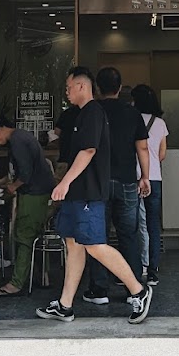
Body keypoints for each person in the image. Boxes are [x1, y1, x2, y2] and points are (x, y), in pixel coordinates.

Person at [36, 67, 152, 325]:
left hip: (88, 192)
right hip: (78, 193)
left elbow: (88, 151)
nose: (66, 92)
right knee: (74, 244)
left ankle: (139, 291)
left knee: (94, 244)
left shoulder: (93, 112)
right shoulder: (81, 114)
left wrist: (65, 182)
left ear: (82, 86)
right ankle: (65, 305)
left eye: (68, 87)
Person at [84, 66, 150, 303]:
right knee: (128, 235)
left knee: (98, 237)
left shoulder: (91, 111)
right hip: (127, 181)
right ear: (120, 88)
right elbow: (142, 147)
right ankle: (133, 288)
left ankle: (99, 289)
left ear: (97, 88)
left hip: (98, 183)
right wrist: (145, 176)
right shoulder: (132, 113)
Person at [0, 116, 55, 296]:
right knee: (34, 234)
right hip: (39, 191)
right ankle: (43, 276)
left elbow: (26, 173)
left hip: (34, 192)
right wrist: (3, 181)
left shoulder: (17, 141)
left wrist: (12, 187)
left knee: (24, 235)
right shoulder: (20, 137)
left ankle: (16, 283)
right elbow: (19, 169)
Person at [133, 84, 168, 286]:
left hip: (134, 177)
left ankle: (138, 266)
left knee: (135, 223)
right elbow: (162, 154)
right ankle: (153, 269)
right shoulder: (160, 123)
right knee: (153, 224)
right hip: (154, 177)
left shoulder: (131, 119)